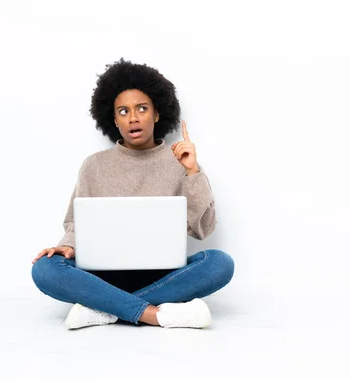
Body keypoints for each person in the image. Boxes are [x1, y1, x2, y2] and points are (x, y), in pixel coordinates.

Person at [31, 58, 235, 330]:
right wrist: (68, 246)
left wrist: (192, 172)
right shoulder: (94, 165)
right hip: (103, 276)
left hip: (162, 276)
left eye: (142, 108)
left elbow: (203, 229)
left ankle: (105, 309)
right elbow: (75, 224)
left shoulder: (181, 162)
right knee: (44, 268)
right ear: (114, 119)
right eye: (123, 111)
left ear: (157, 114)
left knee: (220, 263)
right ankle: (154, 313)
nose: (134, 118)